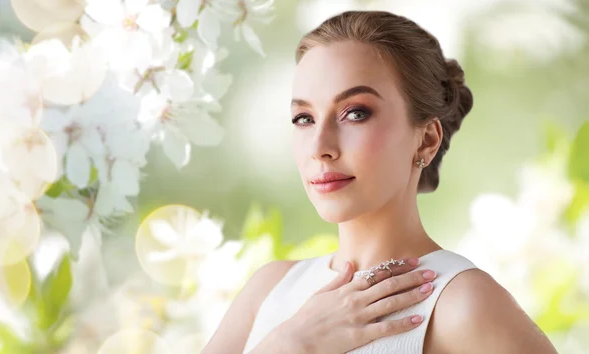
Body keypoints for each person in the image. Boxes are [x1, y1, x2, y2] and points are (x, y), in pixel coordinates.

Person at [201, 10, 558, 354]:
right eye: (304, 118)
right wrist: (289, 345)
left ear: (427, 139)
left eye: (356, 113)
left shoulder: (460, 304)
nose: (320, 147)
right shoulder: (269, 289)